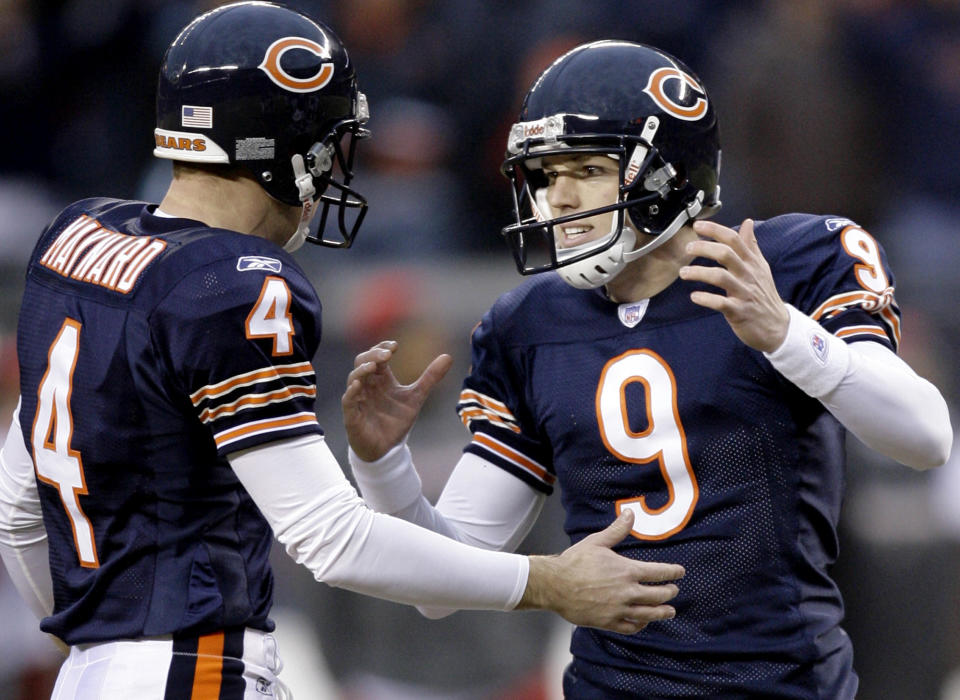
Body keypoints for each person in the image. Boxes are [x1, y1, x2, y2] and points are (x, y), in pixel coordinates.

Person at [0, 11, 687, 699]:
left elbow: (18, 506)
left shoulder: (78, 237)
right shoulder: (229, 284)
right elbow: (328, 536)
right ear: (278, 144)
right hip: (197, 669)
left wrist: (87, 638)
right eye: (329, 144)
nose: (332, 169)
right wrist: (547, 583)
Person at [342, 40, 954, 698]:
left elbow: (925, 439)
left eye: (585, 168)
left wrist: (785, 335)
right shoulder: (530, 325)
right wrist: (383, 466)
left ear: (668, 172)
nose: (560, 197)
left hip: (778, 684)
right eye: (547, 175)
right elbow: (447, 580)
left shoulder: (788, 262)